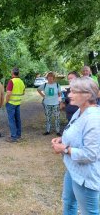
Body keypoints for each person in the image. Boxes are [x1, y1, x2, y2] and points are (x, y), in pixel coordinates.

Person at [51, 76, 100, 215]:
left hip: (86, 177)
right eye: (69, 91)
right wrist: (62, 139)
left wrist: (65, 149)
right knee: (68, 203)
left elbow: (90, 155)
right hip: (73, 170)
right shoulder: (80, 111)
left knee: (89, 212)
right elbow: (76, 132)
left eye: (74, 91)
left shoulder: (94, 119)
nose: (69, 95)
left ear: (88, 95)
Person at [37, 71, 61, 136]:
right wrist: (43, 96)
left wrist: (60, 102)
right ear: (47, 78)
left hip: (55, 104)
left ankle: (58, 131)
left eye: (51, 77)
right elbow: (38, 89)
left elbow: (59, 94)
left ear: (53, 78)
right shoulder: (45, 85)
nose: (50, 78)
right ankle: (47, 130)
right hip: (47, 104)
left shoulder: (57, 85)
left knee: (57, 118)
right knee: (48, 118)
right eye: (49, 77)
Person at [5, 68, 25, 142]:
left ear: (12, 73)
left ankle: (13, 137)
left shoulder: (11, 81)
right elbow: (23, 92)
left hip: (11, 103)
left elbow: (9, 93)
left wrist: (6, 101)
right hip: (18, 103)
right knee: (17, 119)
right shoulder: (21, 81)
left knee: (11, 120)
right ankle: (18, 135)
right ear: (18, 73)